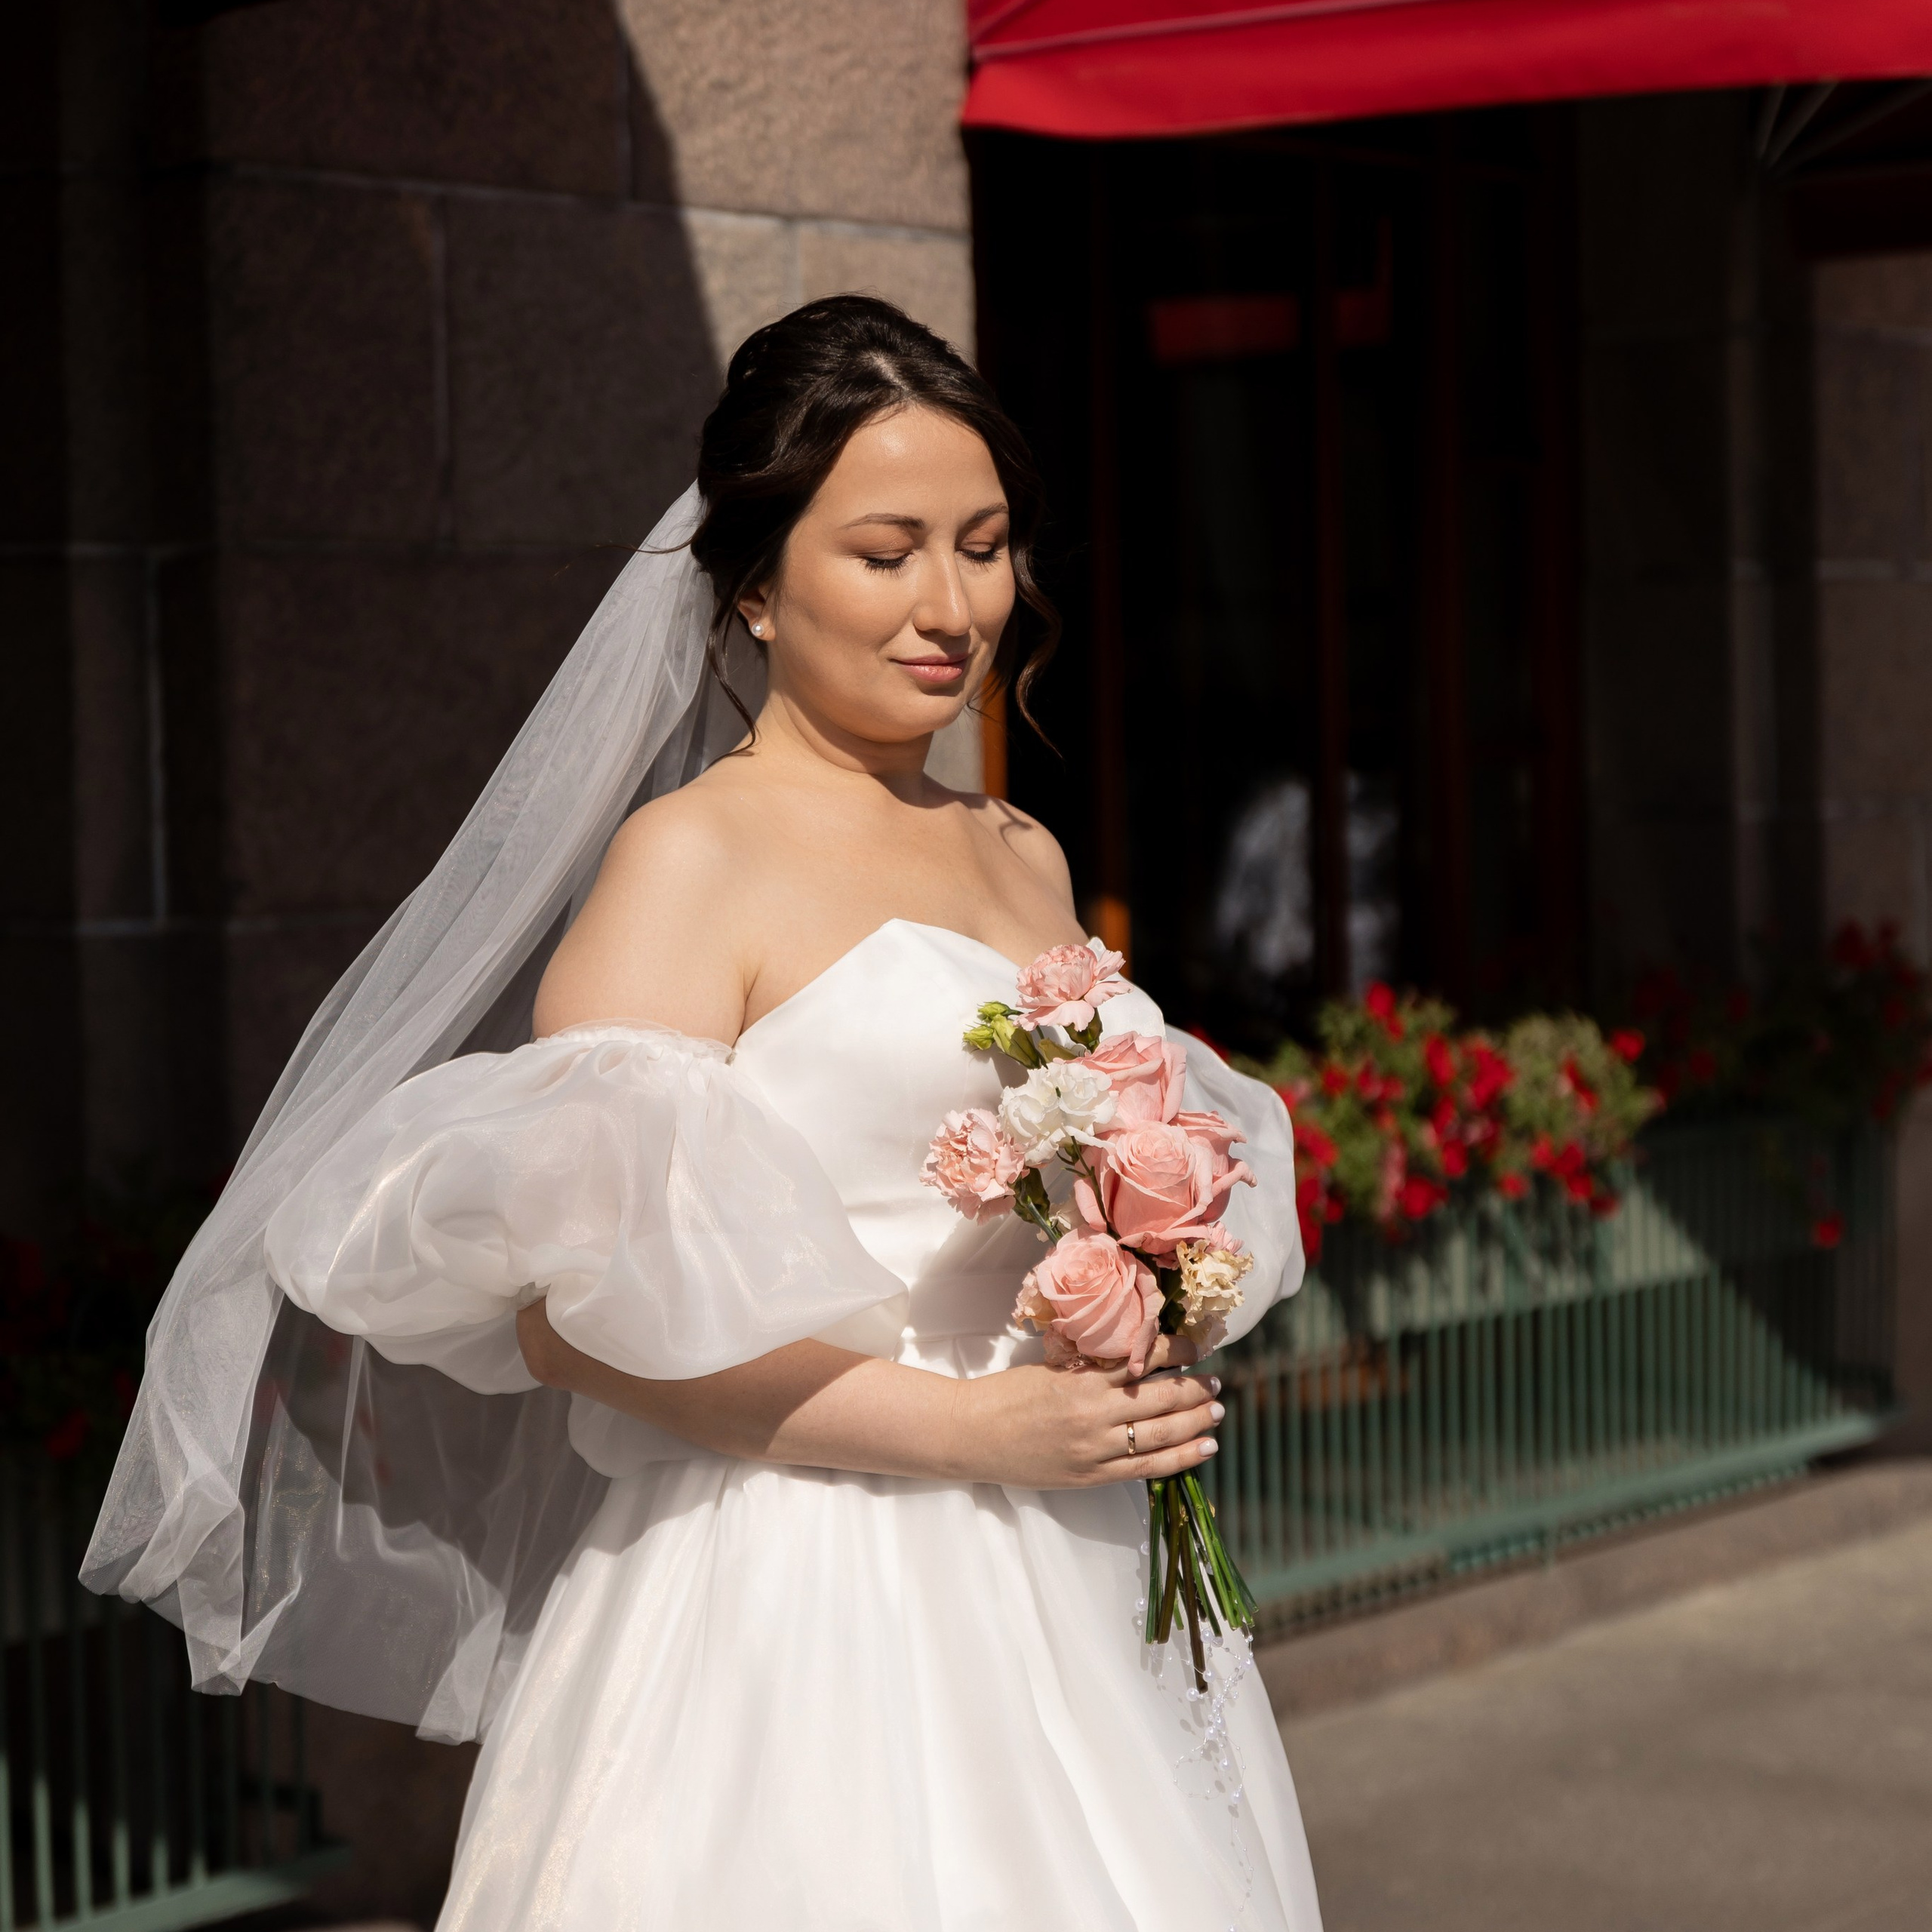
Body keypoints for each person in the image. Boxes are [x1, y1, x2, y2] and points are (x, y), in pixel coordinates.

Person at [86, 297, 1322, 1929]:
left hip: (1079, 1556)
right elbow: (573, 1326)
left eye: (983, 544)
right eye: (884, 552)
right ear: (753, 583)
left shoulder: (1013, 847)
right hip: (801, 1582)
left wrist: (1130, 1313)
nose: (949, 604)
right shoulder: (692, 859)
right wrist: (972, 1428)